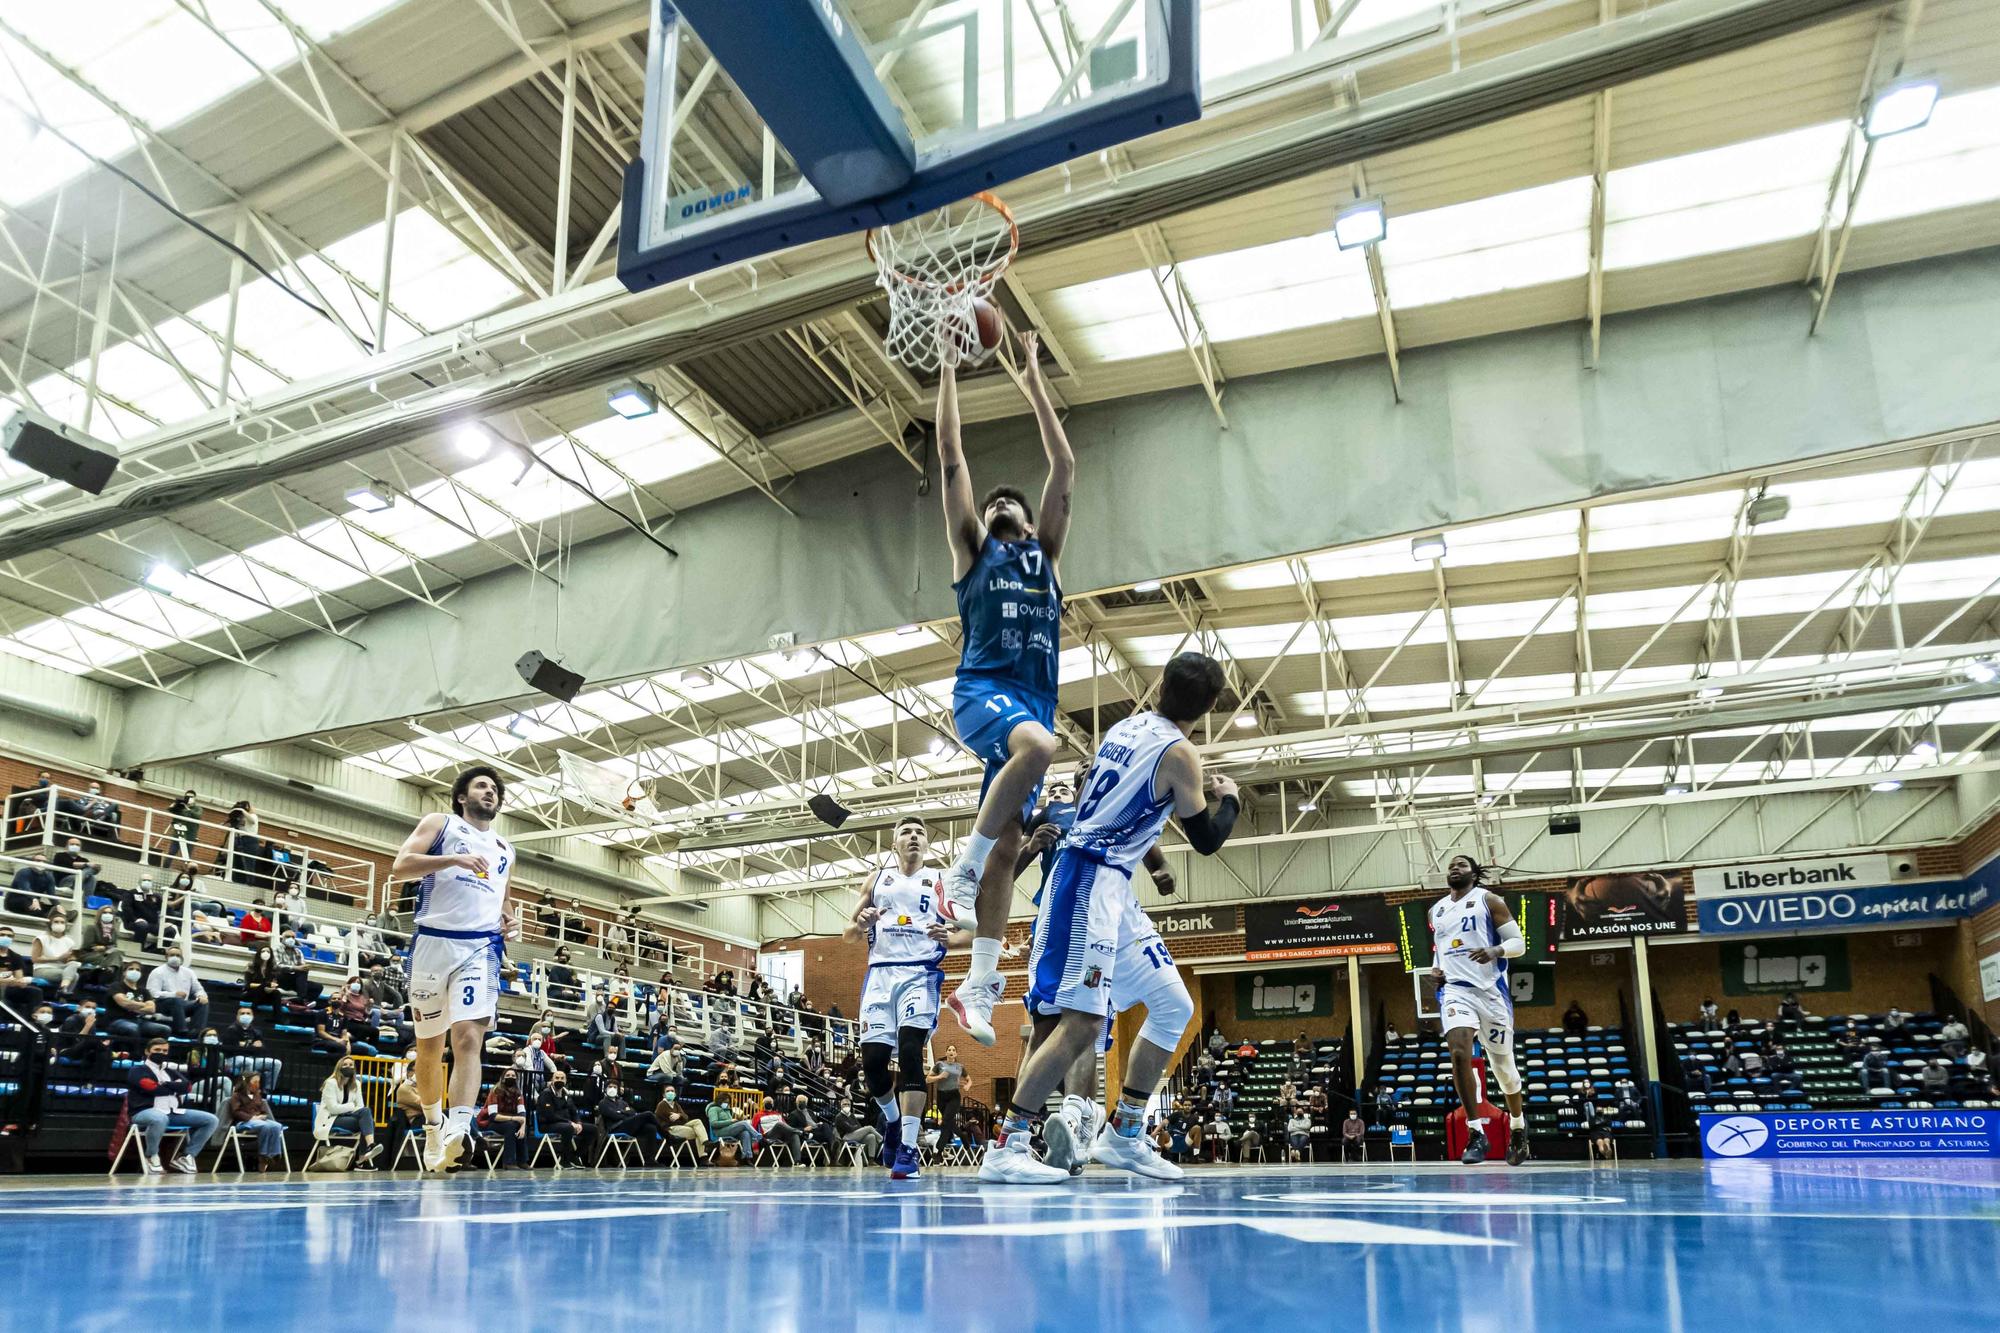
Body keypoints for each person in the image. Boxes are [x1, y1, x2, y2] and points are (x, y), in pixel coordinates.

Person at [984, 653, 1242, 1185]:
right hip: (1089, 880)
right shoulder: (1182, 754)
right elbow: (1208, 839)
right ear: (1211, 706)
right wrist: (1230, 799)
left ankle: (1123, 1134)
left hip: (1114, 885)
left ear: (1159, 686)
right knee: (1081, 1022)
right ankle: (1007, 1144)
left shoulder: (1125, 726)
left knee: (1174, 1005)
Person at [932, 332, 1076, 1048]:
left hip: (1030, 707)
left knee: (1008, 849)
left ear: (1028, 521)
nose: (999, 508)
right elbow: (952, 455)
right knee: (1041, 745)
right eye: (990, 507)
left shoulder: (1044, 556)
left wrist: (1031, 380)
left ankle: (980, 985)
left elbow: (1064, 465)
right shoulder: (974, 551)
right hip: (984, 693)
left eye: (1008, 506)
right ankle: (955, 875)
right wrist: (952, 366)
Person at [389, 765, 515, 1174]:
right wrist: (453, 858)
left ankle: (459, 1129)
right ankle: (432, 1126)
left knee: (468, 1038)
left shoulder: (504, 849)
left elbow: (502, 901)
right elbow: (401, 865)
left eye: (495, 789)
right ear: (462, 795)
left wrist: (511, 920)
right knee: (429, 1047)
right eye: (481, 786)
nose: (490, 792)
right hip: (431, 942)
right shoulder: (440, 823)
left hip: (478, 948)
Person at [846, 815, 970, 1180]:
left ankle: (909, 1149)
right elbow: (848, 935)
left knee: (912, 1051)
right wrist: (862, 925)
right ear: (894, 843)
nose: (913, 836)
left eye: (920, 832)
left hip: (919, 973)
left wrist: (950, 937)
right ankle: (894, 1123)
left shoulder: (941, 881)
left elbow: (970, 935)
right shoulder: (876, 880)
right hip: (880, 975)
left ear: (927, 844)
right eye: (906, 832)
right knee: (872, 1064)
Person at [1427, 854, 1530, 1167]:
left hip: (1490, 993)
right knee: (1459, 1053)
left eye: (1461, 864)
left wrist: (1495, 950)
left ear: (1474, 873)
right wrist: (1436, 969)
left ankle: (1518, 1126)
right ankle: (1476, 1133)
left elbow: (1518, 942)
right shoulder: (1437, 910)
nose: (1454, 868)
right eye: (1451, 865)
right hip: (1456, 991)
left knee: (1505, 1072)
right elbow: (1441, 949)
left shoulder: (1489, 900)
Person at [126, 1034, 218, 1173]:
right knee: (159, 1118)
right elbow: (152, 1088)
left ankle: (187, 1156)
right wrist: (174, 1088)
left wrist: (166, 1084)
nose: (161, 1053)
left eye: (164, 1051)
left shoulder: (170, 1071)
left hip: (172, 1112)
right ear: (147, 1051)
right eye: (157, 1050)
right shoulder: (137, 1070)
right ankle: (151, 1156)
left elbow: (187, 1087)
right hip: (144, 1112)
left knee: (211, 1119)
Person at [315, 1058, 383, 1169]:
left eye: (351, 1065)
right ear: (339, 1067)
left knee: (366, 1115)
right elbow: (333, 1109)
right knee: (367, 1121)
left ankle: (367, 1151)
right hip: (330, 1119)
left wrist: (352, 1109)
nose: (348, 1067)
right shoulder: (331, 1083)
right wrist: (351, 1106)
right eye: (345, 1064)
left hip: (347, 1117)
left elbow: (360, 1106)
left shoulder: (356, 1083)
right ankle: (362, 1158)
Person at [229, 1071, 288, 1171]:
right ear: (247, 1082)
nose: (257, 1083)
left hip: (259, 1120)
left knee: (277, 1126)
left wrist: (262, 1116)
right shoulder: (236, 1095)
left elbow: (264, 1110)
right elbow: (236, 1112)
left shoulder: (257, 1095)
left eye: (258, 1081)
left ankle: (275, 1154)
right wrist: (252, 1118)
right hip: (244, 1122)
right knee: (266, 1126)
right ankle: (263, 1155)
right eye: (255, 1081)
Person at [146, 948, 210, 1037]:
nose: (175, 957)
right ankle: (182, 1031)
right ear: (166, 957)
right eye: (172, 955)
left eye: (178, 955)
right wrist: (173, 994)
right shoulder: (157, 972)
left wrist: (201, 996)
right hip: (162, 1004)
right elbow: (152, 993)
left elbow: (198, 989)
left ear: (182, 958)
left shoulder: (189, 972)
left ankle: (198, 1033)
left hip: (182, 1005)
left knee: (202, 1002)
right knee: (176, 1000)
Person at [107, 965, 173, 1046]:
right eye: (131, 968)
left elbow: (152, 1009)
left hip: (138, 1020)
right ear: (124, 972)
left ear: (141, 974)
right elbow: (124, 1003)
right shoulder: (116, 986)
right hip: (117, 1020)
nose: (134, 971)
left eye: (138, 970)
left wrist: (131, 1005)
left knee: (165, 1029)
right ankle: (136, 1056)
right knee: (133, 1028)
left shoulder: (143, 991)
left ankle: (154, 1053)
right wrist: (143, 1004)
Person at [477, 1071, 530, 1169]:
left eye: (513, 1076)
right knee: (511, 1126)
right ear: (503, 1078)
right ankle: (508, 1162)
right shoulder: (495, 1091)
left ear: (516, 1079)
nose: (511, 1077)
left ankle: (522, 1161)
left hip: (509, 1121)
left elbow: (522, 1113)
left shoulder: (518, 1093)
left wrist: (522, 1127)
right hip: (490, 1122)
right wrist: (514, 1118)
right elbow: (493, 1116)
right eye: (508, 1075)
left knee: (522, 1127)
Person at [223, 1005, 282, 1089]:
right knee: (248, 1061)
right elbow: (233, 1049)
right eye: (242, 1013)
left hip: (252, 1058)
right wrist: (251, 1046)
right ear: (237, 1016)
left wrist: (246, 1046)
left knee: (276, 1063)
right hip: (233, 1059)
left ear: (252, 1017)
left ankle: (268, 1089)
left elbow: (262, 1049)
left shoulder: (256, 1031)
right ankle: (245, 1089)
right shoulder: (231, 1030)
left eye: (248, 1013)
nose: (245, 1015)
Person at [537, 1068, 586, 1165]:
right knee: (568, 1128)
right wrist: (570, 1123)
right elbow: (549, 1115)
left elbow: (574, 1112)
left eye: (562, 1078)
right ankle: (565, 1160)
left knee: (593, 1129)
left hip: (564, 1124)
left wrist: (578, 1123)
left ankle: (574, 1156)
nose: (559, 1080)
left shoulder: (566, 1095)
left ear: (565, 1081)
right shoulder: (546, 1094)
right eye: (557, 1078)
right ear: (552, 1080)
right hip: (547, 1124)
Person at [30, 909, 81, 996]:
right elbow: (35, 959)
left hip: (61, 967)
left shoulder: (69, 941)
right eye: (56, 922)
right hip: (42, 969)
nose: (59, 924)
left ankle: (63, 989)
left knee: (74, 964)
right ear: (50, 924)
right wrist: (58, 958)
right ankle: (62, 996)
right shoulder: (41, 938)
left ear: (65, 925)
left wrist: (69, 958)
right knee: (74, 976)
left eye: (62, 922)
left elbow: (65, 962)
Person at [929, 1042, 966, 1151]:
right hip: (941, 1095)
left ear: (956, 1054)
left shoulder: (959, 1067)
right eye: (949, 1050)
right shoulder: (939, 1064)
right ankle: (963, 1136)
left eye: (953, 1050)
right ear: (946, 1053)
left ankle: (939, 1150)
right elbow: (928, 1079)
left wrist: (967, 1084)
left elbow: (968, 1079)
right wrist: (940, 1076)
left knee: (945, 1121)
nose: (951, 1052)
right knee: (948, 1123)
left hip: (954, 1095)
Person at [654, 1086, 707, 1161]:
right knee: (699, 1133)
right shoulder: (661, 1105)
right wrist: (679, 1118)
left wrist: (679, 1115)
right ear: (664, 1095)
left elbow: (686, 1117)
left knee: (697, 1121)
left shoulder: (676, 1104)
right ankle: (703, 1158)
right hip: (670, 1129)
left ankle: (705, 1141)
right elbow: (667, 1120)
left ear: (675, 1094)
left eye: (672, 1091)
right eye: (668, 1091)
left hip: (680, 1125)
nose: (670, 1092)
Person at [704, 1093, 757, 1161]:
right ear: (720, 1101)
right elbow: (713, 1123)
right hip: (719, 1132)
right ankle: (756, 1136)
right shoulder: (713, 1109)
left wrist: (738, 1119)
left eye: (728, 1102)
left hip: (729, 1130)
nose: (726, 1104)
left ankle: (747, 1157)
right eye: (725, 1102)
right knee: (744, 1124)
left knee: (745, 1133)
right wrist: (730, 1121)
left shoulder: (728, 1110)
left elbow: (732, 1121)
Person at [6, 851, 59, 917]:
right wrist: (34, 898)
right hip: (16, 901)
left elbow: (51, 894)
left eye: (44, 861)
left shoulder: (49, 876)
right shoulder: (23, 872)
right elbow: (25, 888)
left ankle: (56, 913)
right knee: (33, 906)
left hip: (34, 902)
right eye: (38, 860)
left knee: (54, 908)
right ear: (31, 863)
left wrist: (58, 905)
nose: (41, 863)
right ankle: (51, 914)